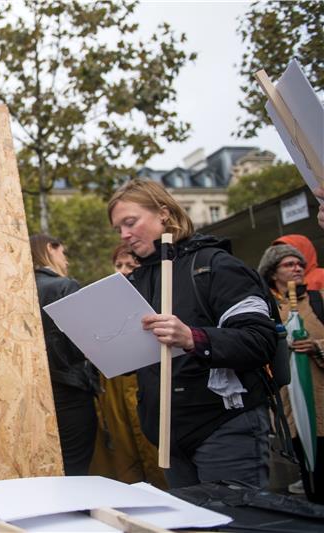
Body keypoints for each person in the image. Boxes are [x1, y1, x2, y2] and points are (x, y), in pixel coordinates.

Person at [108, 178, 277, 489]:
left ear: (163, 213)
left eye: (130, 222)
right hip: (167, 438)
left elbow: (259, 340)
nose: (124, 235)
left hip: (225, 429)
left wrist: (191, 337)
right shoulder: (138, 281)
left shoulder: (216, 265)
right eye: (118, 228)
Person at [89, 245, 166, 487]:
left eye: (130, 266)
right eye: (119, 265)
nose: (123, 271)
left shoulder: (155, 294)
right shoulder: (104, 300)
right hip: (113, 383)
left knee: (150, 445)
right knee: (123, 448)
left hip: (145, 379)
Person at [258, 243, 324, 503]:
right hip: (290, 404)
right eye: (288, 264)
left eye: (299, 264)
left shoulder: (318, 301)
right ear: (273, 273)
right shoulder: (265, 308)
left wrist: (317, 346)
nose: (297, 268)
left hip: (320, 400)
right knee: (309, 472)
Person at [30, 234, 99, 475]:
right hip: (71, 391)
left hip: (35, 395)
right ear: (50, 248)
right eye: (64, 252)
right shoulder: (64, 286)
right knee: (75, 467)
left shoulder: (21, 291)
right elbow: (84, 343)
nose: (66, 260)